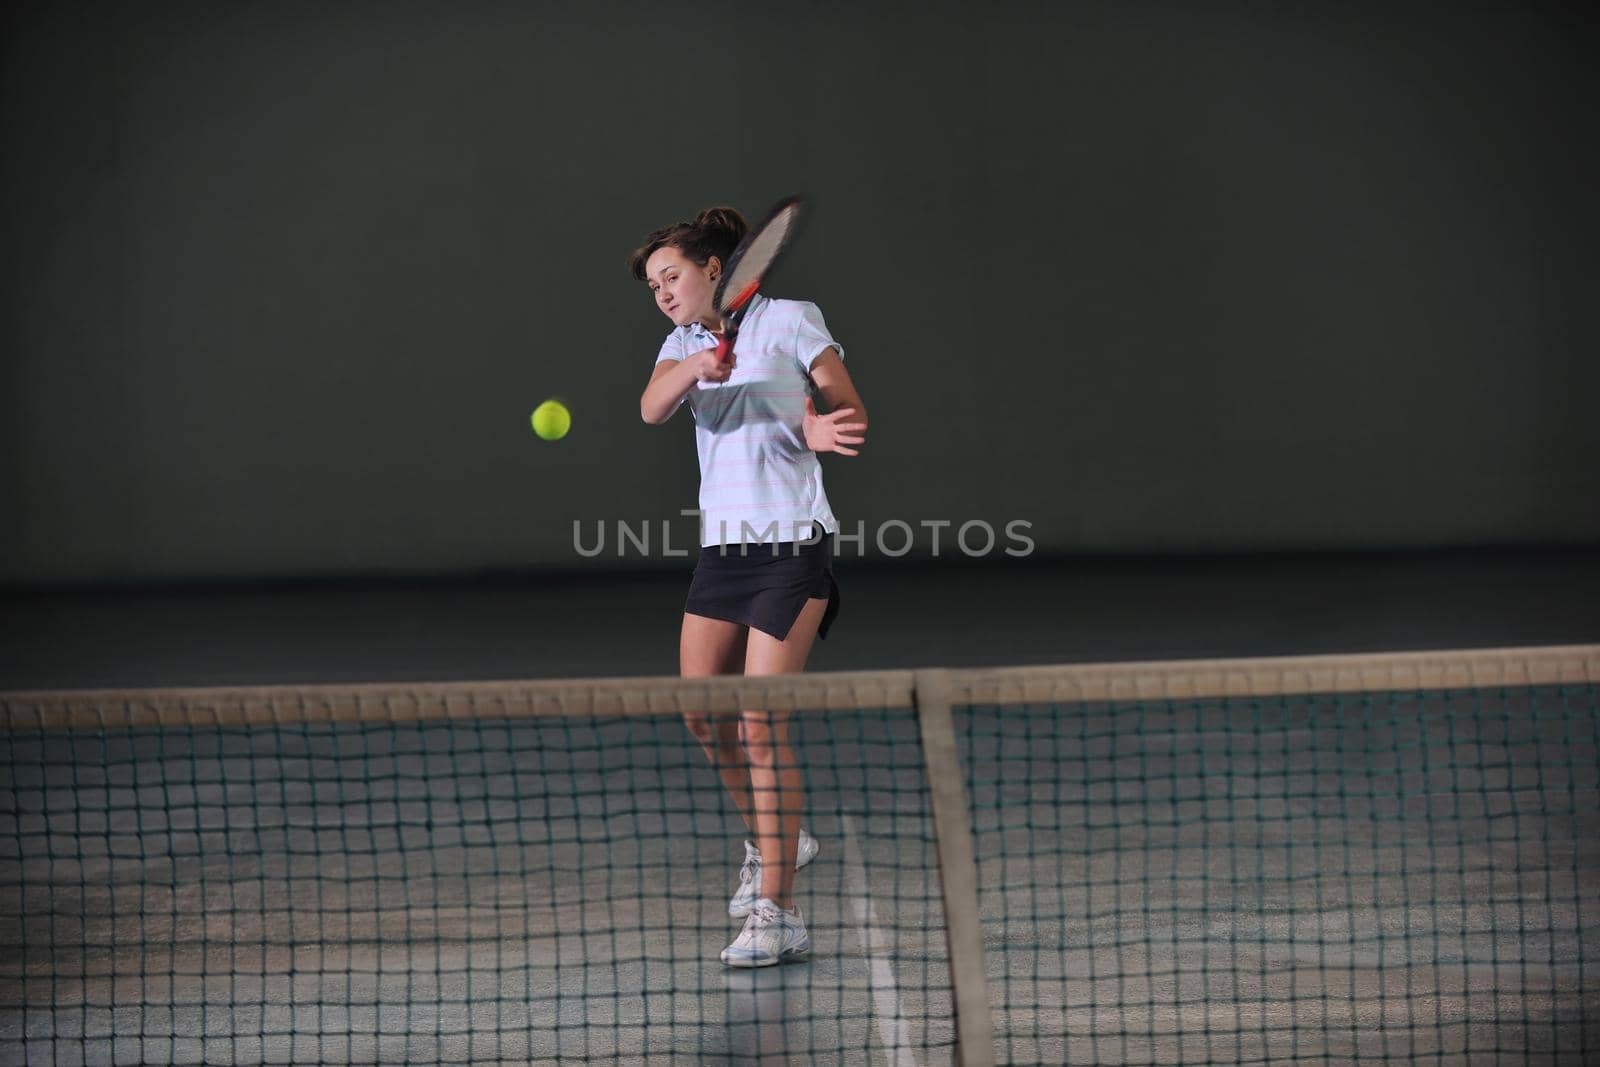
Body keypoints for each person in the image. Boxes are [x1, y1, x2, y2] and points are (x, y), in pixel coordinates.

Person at [630, 205, 868, 967]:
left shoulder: (792, 319)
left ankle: (778, 910)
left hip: (791, 550)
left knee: (761, 722)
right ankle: (779, 838)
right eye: (652, 285)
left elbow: (843, 401)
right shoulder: (679, 344)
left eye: (671, 276)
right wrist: (696, 365)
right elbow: (650, 407)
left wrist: (825, 425)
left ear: (714, 269)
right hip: (721, 556)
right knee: (705, 718)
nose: (662, 292)